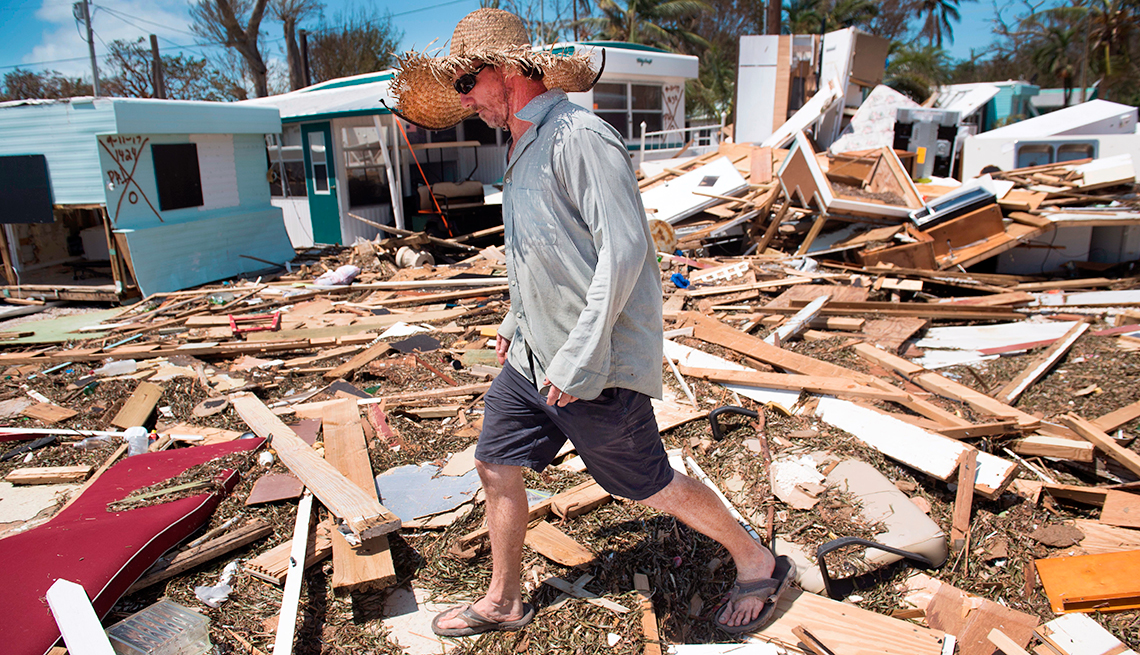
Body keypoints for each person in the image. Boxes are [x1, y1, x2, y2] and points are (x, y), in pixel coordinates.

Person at [389, 8, 795, 638]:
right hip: (533, 358)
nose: (466, 101)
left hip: (590, 364)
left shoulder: (580, 136)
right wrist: (514, 318)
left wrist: (579, 359)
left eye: (468, 84)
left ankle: (756, 562)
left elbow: (625, 251)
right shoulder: (522, 144)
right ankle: (502, 601)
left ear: (503, 70)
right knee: (496, 462)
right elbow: (544, 254)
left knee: (651, 485)